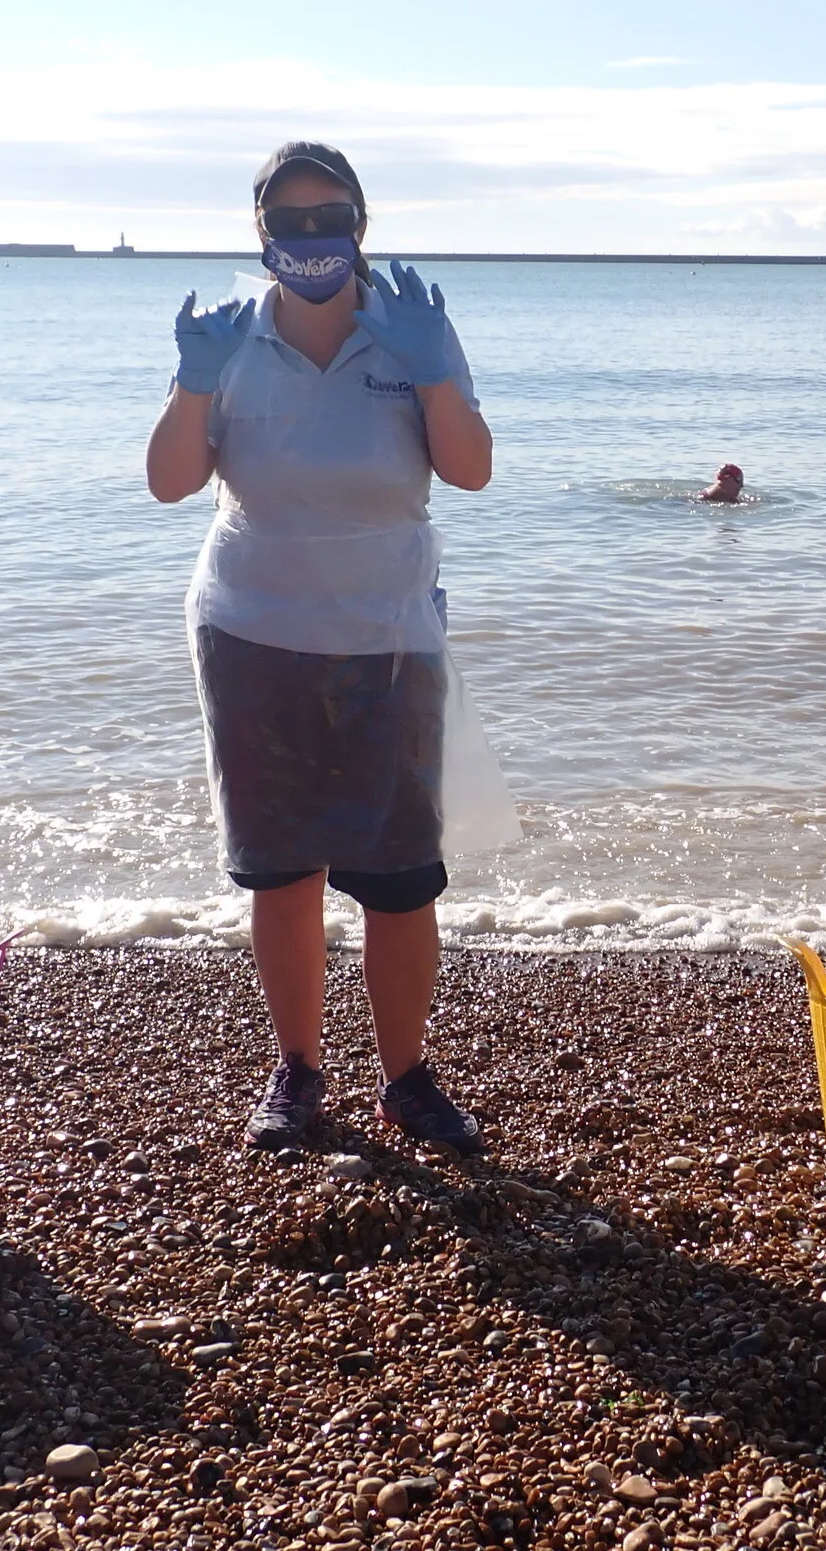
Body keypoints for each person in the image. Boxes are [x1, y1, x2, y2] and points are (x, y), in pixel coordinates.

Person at [145, 140, 512, 1156]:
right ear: (259, 233)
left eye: (329, 217)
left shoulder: (411, 334)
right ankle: (298, 1069)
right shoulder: (229, 335)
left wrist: (435, 374)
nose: (311, 238)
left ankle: (407, 1078)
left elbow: (471, 470)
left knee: (400, 876)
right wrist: (190, 386)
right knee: (281, 870)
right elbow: (170, 482)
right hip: (250, 629)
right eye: (289, 222)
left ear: (361, 225)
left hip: (387, 633)